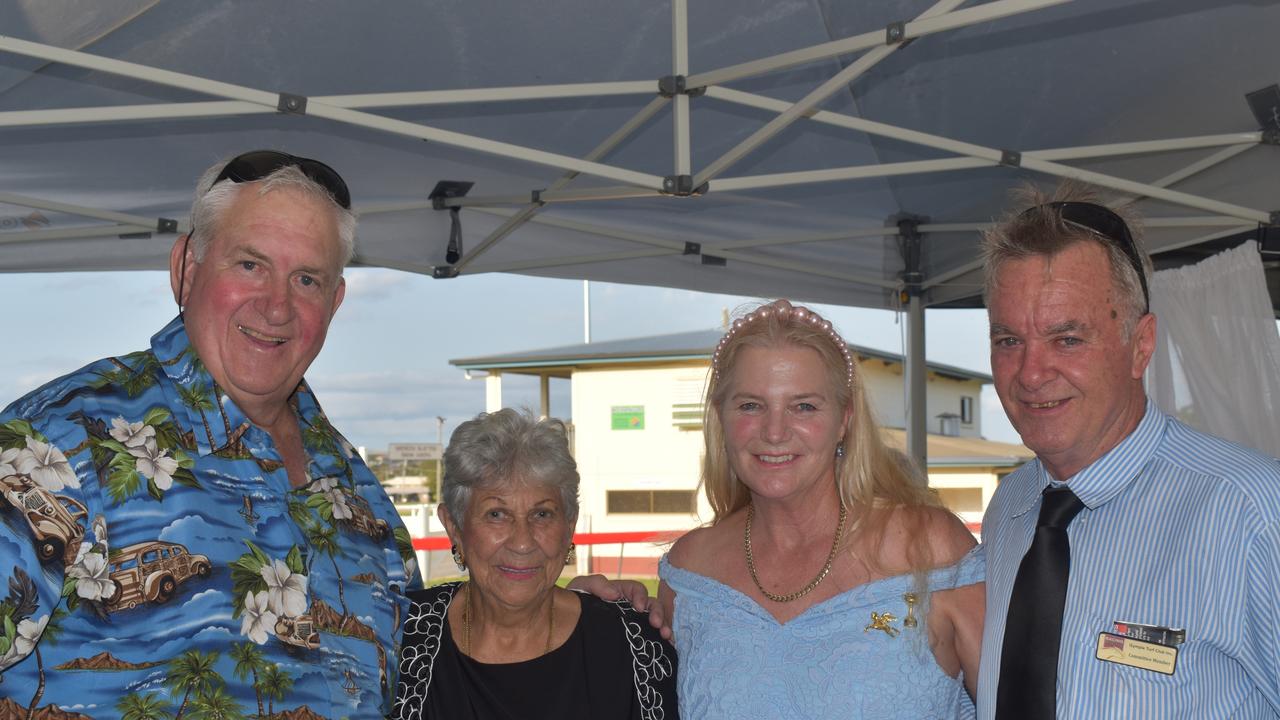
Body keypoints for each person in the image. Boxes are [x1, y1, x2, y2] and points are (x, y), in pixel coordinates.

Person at [0, 150, 421, 718]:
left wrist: (562, 620)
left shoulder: (359, 496)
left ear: (335, 301)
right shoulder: (57, 445)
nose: (277, 306)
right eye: (250, 264)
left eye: (307, 279)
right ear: (186, 268)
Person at [977, 183, 1280, 718]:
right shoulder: (1011, 507)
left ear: (1141, 346)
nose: (1030, 373)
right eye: (1009, 341)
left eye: (1067, 339)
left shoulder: (1251, 510)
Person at [655, 299, 983, 719]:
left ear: (844, 418)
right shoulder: (689, 573)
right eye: (750, 405)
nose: (774, 431)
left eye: (804, 406)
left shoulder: (931, 549)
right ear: (720, 417)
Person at [391, 408, 678, 719]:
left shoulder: (634, 646)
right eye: (496, 514)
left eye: (542, 514)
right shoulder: (398, 635)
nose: (523, 542)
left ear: (569, 526)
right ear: (454, 527)